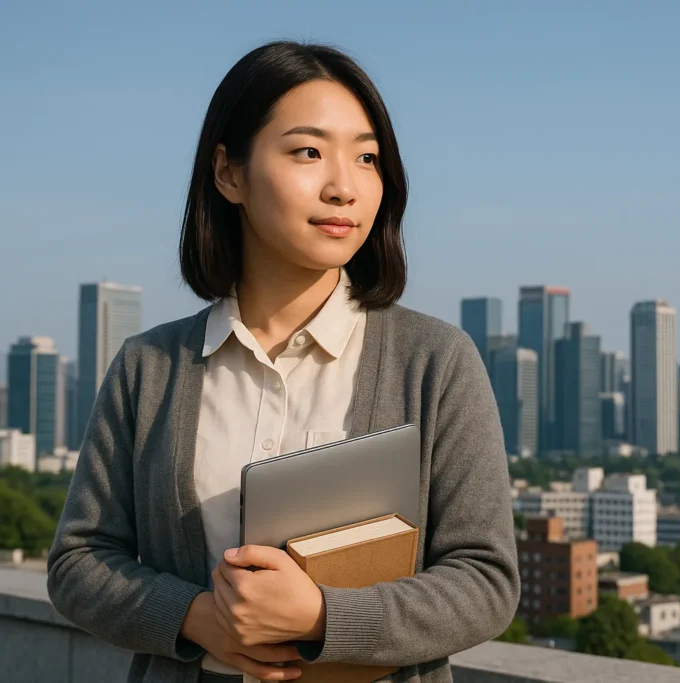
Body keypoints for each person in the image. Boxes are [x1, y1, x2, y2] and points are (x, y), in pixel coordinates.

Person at [47, 40, 520, 683]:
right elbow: (78, 562)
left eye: (367, 158)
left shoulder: (435, 361)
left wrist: (324, 616)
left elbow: (486, 582)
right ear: (229, 173)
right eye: (308, 152)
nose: (344, 187)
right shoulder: (149, 367)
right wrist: (195, 616)